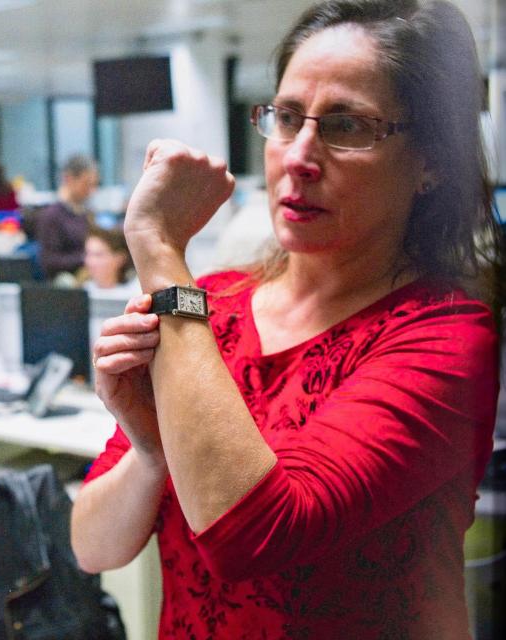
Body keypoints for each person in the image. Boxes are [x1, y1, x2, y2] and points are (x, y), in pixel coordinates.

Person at [71, 1, 504, 638]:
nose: (299, 156)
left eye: (347, 125)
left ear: (431, 162)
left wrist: (159, 249)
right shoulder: (208, 306)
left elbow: (257, 535)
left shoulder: (446, 337)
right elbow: (92, 548)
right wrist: (153, 450)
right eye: (287, 117)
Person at [37, 154, 99, 280]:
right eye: (86, 184)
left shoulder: (86, 213)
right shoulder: (52, 216)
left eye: (94, 185)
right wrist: (86, 259)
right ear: (68, 179)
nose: (91, 190)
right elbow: (49, 261)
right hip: (66, 282)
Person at [82, 224, 140, 296]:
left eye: (98, 255)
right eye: (88, 254)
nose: (90, 261)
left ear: (120, 258)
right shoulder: (84, 290)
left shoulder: (135, 293)